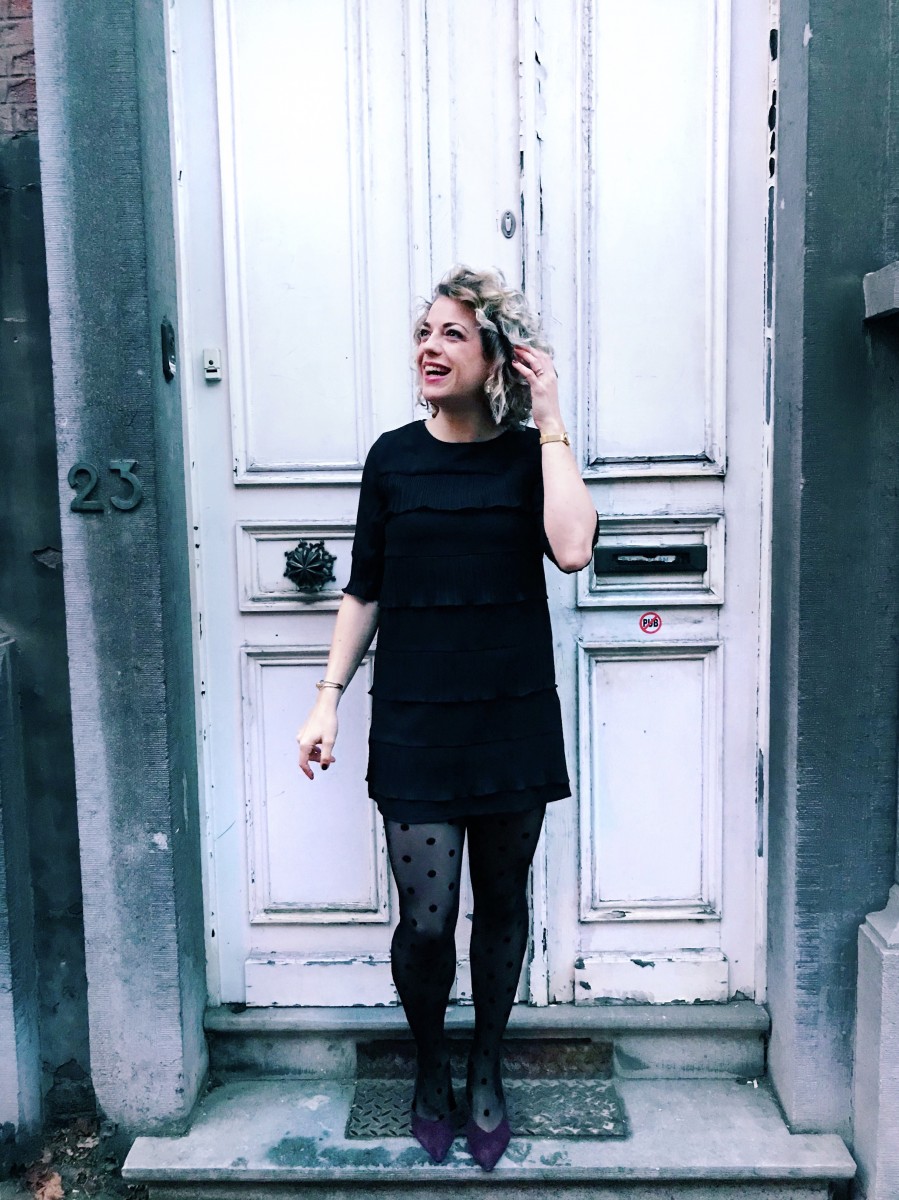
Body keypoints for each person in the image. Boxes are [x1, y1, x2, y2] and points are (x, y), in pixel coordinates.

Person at [296, 265, 598, 1171]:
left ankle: (486, 1067)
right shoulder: (392, 459)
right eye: (424, 332)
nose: (429, 347)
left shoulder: (528, 455)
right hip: (417, 718)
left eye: (452, 334)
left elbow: (572, 548)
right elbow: (365, 587)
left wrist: (550, 417)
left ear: (495, 357)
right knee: (427, 922)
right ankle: (431, 1065)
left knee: (501, 905)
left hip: (510, 715)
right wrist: (326, 698)